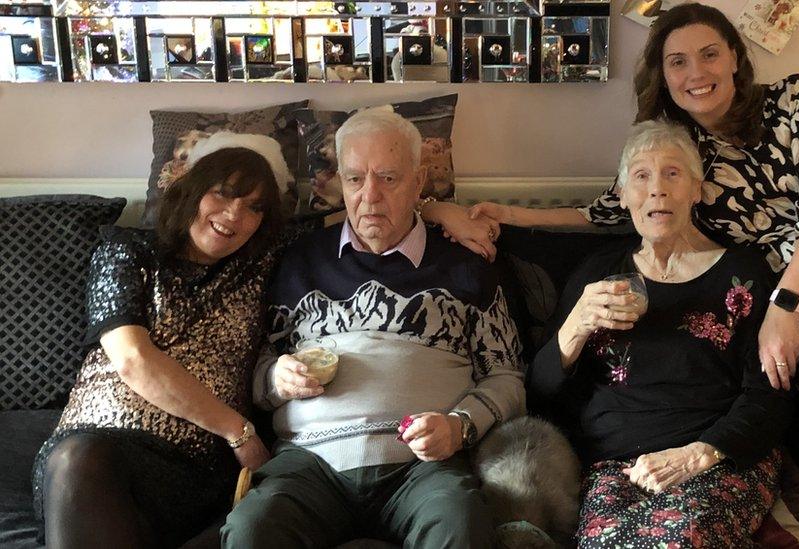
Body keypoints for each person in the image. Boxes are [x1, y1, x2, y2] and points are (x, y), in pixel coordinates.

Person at [464, 3, 799, 543]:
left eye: (710, 54)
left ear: (735, 57)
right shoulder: (682, 150)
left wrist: (785, 306)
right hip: (783, 301)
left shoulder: (791, 102)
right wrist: (503, 215)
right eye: (677, 61)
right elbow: (606, 209)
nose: (696, 73)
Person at [221, 109, 525, 548]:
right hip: (309, 464)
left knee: (459, 524)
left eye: (388, 178)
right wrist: (276, 376)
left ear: (419, 183)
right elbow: (256, 372)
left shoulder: (466, 262)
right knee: (253, 529)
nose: (370, 197)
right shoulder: (297, 260)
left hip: (421, 467)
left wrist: (460, 426)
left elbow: (508, 377)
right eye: (354, 180)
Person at [528, 119, 792, 547]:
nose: (657, 189)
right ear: (622, 194)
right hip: (616, 466)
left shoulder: (742, 276)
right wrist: (575, 326)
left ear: (696, 189)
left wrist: (697, 455)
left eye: (673, 173)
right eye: (641, 176)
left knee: (680, 539)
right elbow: (539, 393)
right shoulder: (598, 274)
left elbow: (770, 396)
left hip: (717, 459)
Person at [32, 132, 291, 548]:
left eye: (253, 207)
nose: (233, 214)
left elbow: (362, 219)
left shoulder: (262, 263)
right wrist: (239, 433)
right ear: (191, 191)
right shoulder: (127, 251)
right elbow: (132, 359)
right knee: (77, 458)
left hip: (197, 469)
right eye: (222, 194)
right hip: (95, 458)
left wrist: (429, 205)